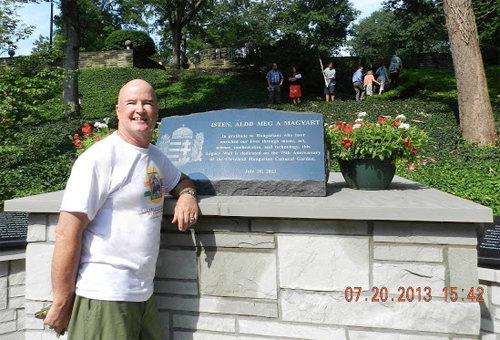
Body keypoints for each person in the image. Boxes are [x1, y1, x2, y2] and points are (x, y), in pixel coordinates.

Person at [43, 79, 199, 339]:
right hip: (105, 294)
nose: (140, 109)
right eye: (132, 103)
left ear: (157, 111)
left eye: (147, 103)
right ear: (118, 111)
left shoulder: (155, 156)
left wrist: (187, 195)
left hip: (143, 294)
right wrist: (61, 301)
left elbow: (182, 180)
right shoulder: (98, 158)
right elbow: (66, 233)